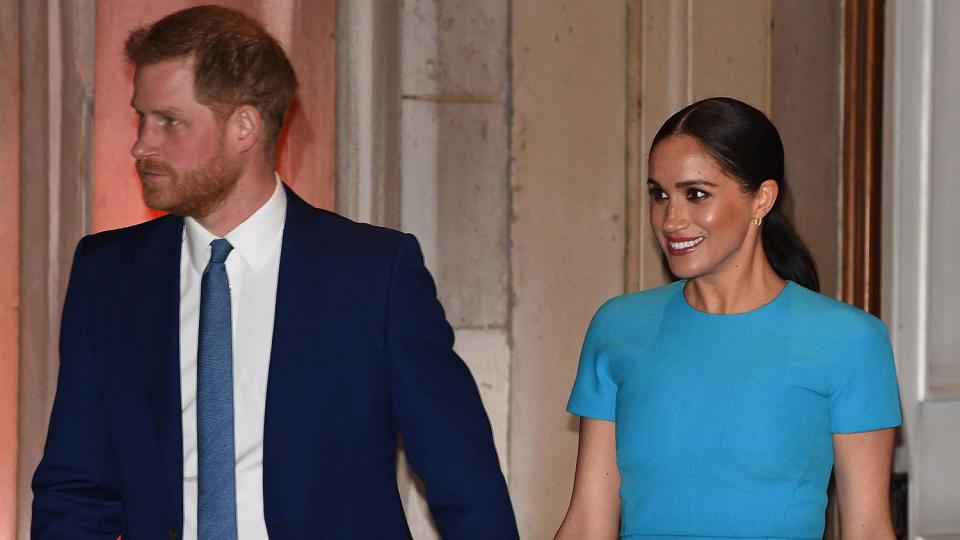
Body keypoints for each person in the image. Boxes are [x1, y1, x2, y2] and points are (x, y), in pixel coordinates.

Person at [31, 6, 518, 539]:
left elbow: (464, 481)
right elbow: (75, 486)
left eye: (169, 121)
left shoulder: (373, 275)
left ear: (244, 126)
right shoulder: (108, 275)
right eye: (141, 118)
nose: (141, 144)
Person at [555, 97, 901, 539]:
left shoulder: (850, 342)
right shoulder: (618, 328)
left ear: (762, 199)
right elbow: (587, 522)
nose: (671, 220)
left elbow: (868, 530)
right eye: (659, 194)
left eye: (696, 194)